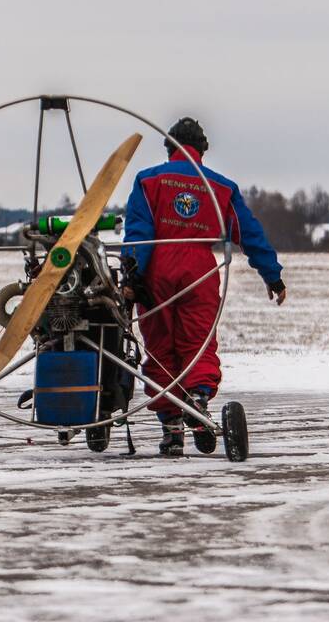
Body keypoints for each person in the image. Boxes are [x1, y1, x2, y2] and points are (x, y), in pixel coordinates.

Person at [121, 117, 286, 456]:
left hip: (156, 270)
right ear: (202, 150)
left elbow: (139, 231)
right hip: (200, 270)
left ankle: (171, 429)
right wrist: (272, 275)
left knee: (161, 346)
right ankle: (197, 398)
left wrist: (132, 275)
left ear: (170, 148)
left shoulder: (148, 180)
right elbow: (249, 233)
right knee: (198, 341)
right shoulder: (220, 187)